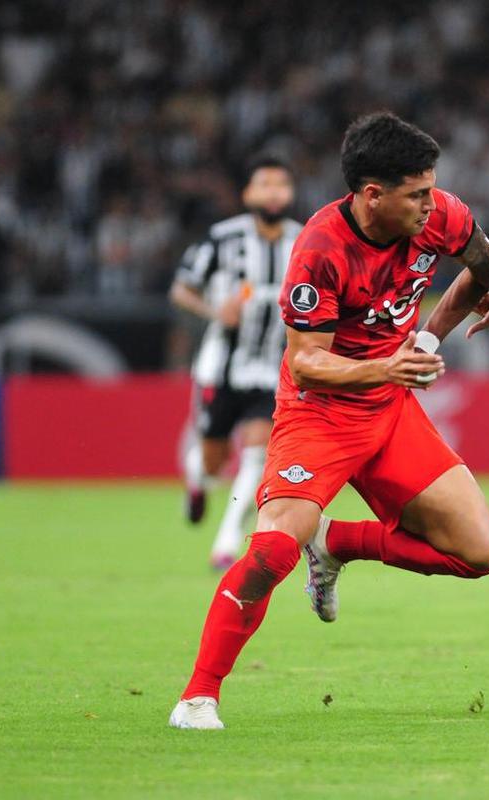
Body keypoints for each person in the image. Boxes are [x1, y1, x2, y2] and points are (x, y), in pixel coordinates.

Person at [169, 112, 489, 729]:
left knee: (479, 552)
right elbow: (306, 365)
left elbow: (481, 256)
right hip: (321, 413)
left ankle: (336, 542)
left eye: (432, 189)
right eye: (417, 194)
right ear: (371, 194)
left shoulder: (439, 214)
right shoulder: (321, 248)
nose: (430, 204)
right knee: (274, 548)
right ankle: (198, 697)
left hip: (391, 410)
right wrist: (389, 368)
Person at [170, 155, 302, 570]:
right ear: (248, 193)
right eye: (265, 184)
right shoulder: (222, 239)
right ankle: (197, 481)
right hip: (221, 366)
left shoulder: (303, 241)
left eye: (281, 184)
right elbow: (181, 289)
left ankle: (225, 542)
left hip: (272, 368)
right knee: (212, 459)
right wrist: (214, 311)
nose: (274, 192)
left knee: (257, 454)